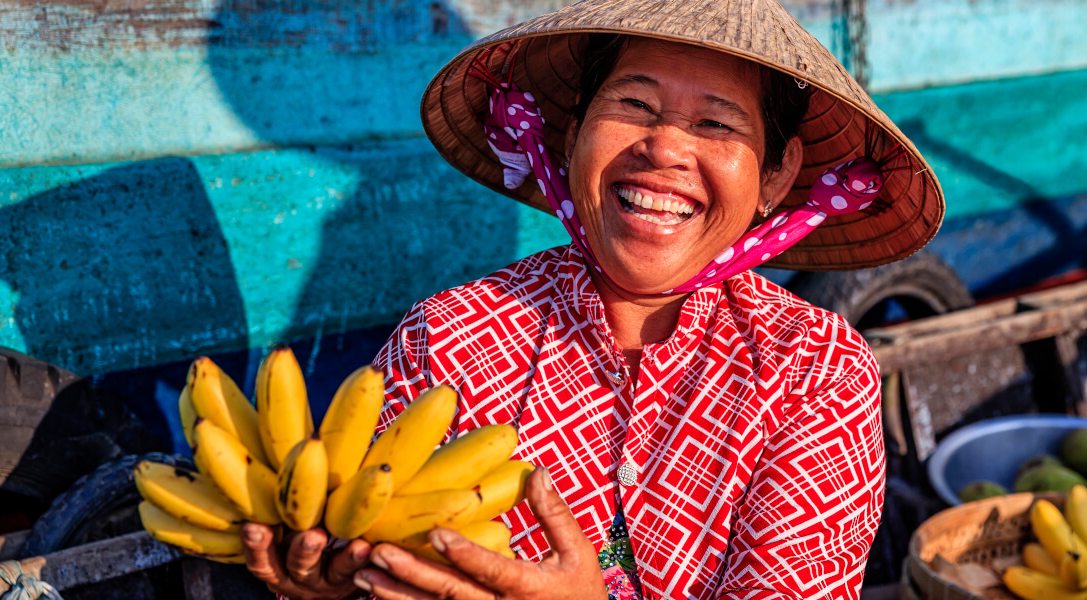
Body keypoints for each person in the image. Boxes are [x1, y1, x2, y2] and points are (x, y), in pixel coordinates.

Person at [238, 0, 944, 598]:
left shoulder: (815, 369)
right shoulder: (448, 339)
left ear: (776, 175)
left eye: (717, 124)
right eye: (635, 104)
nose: (664, 148)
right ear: (573, 137)